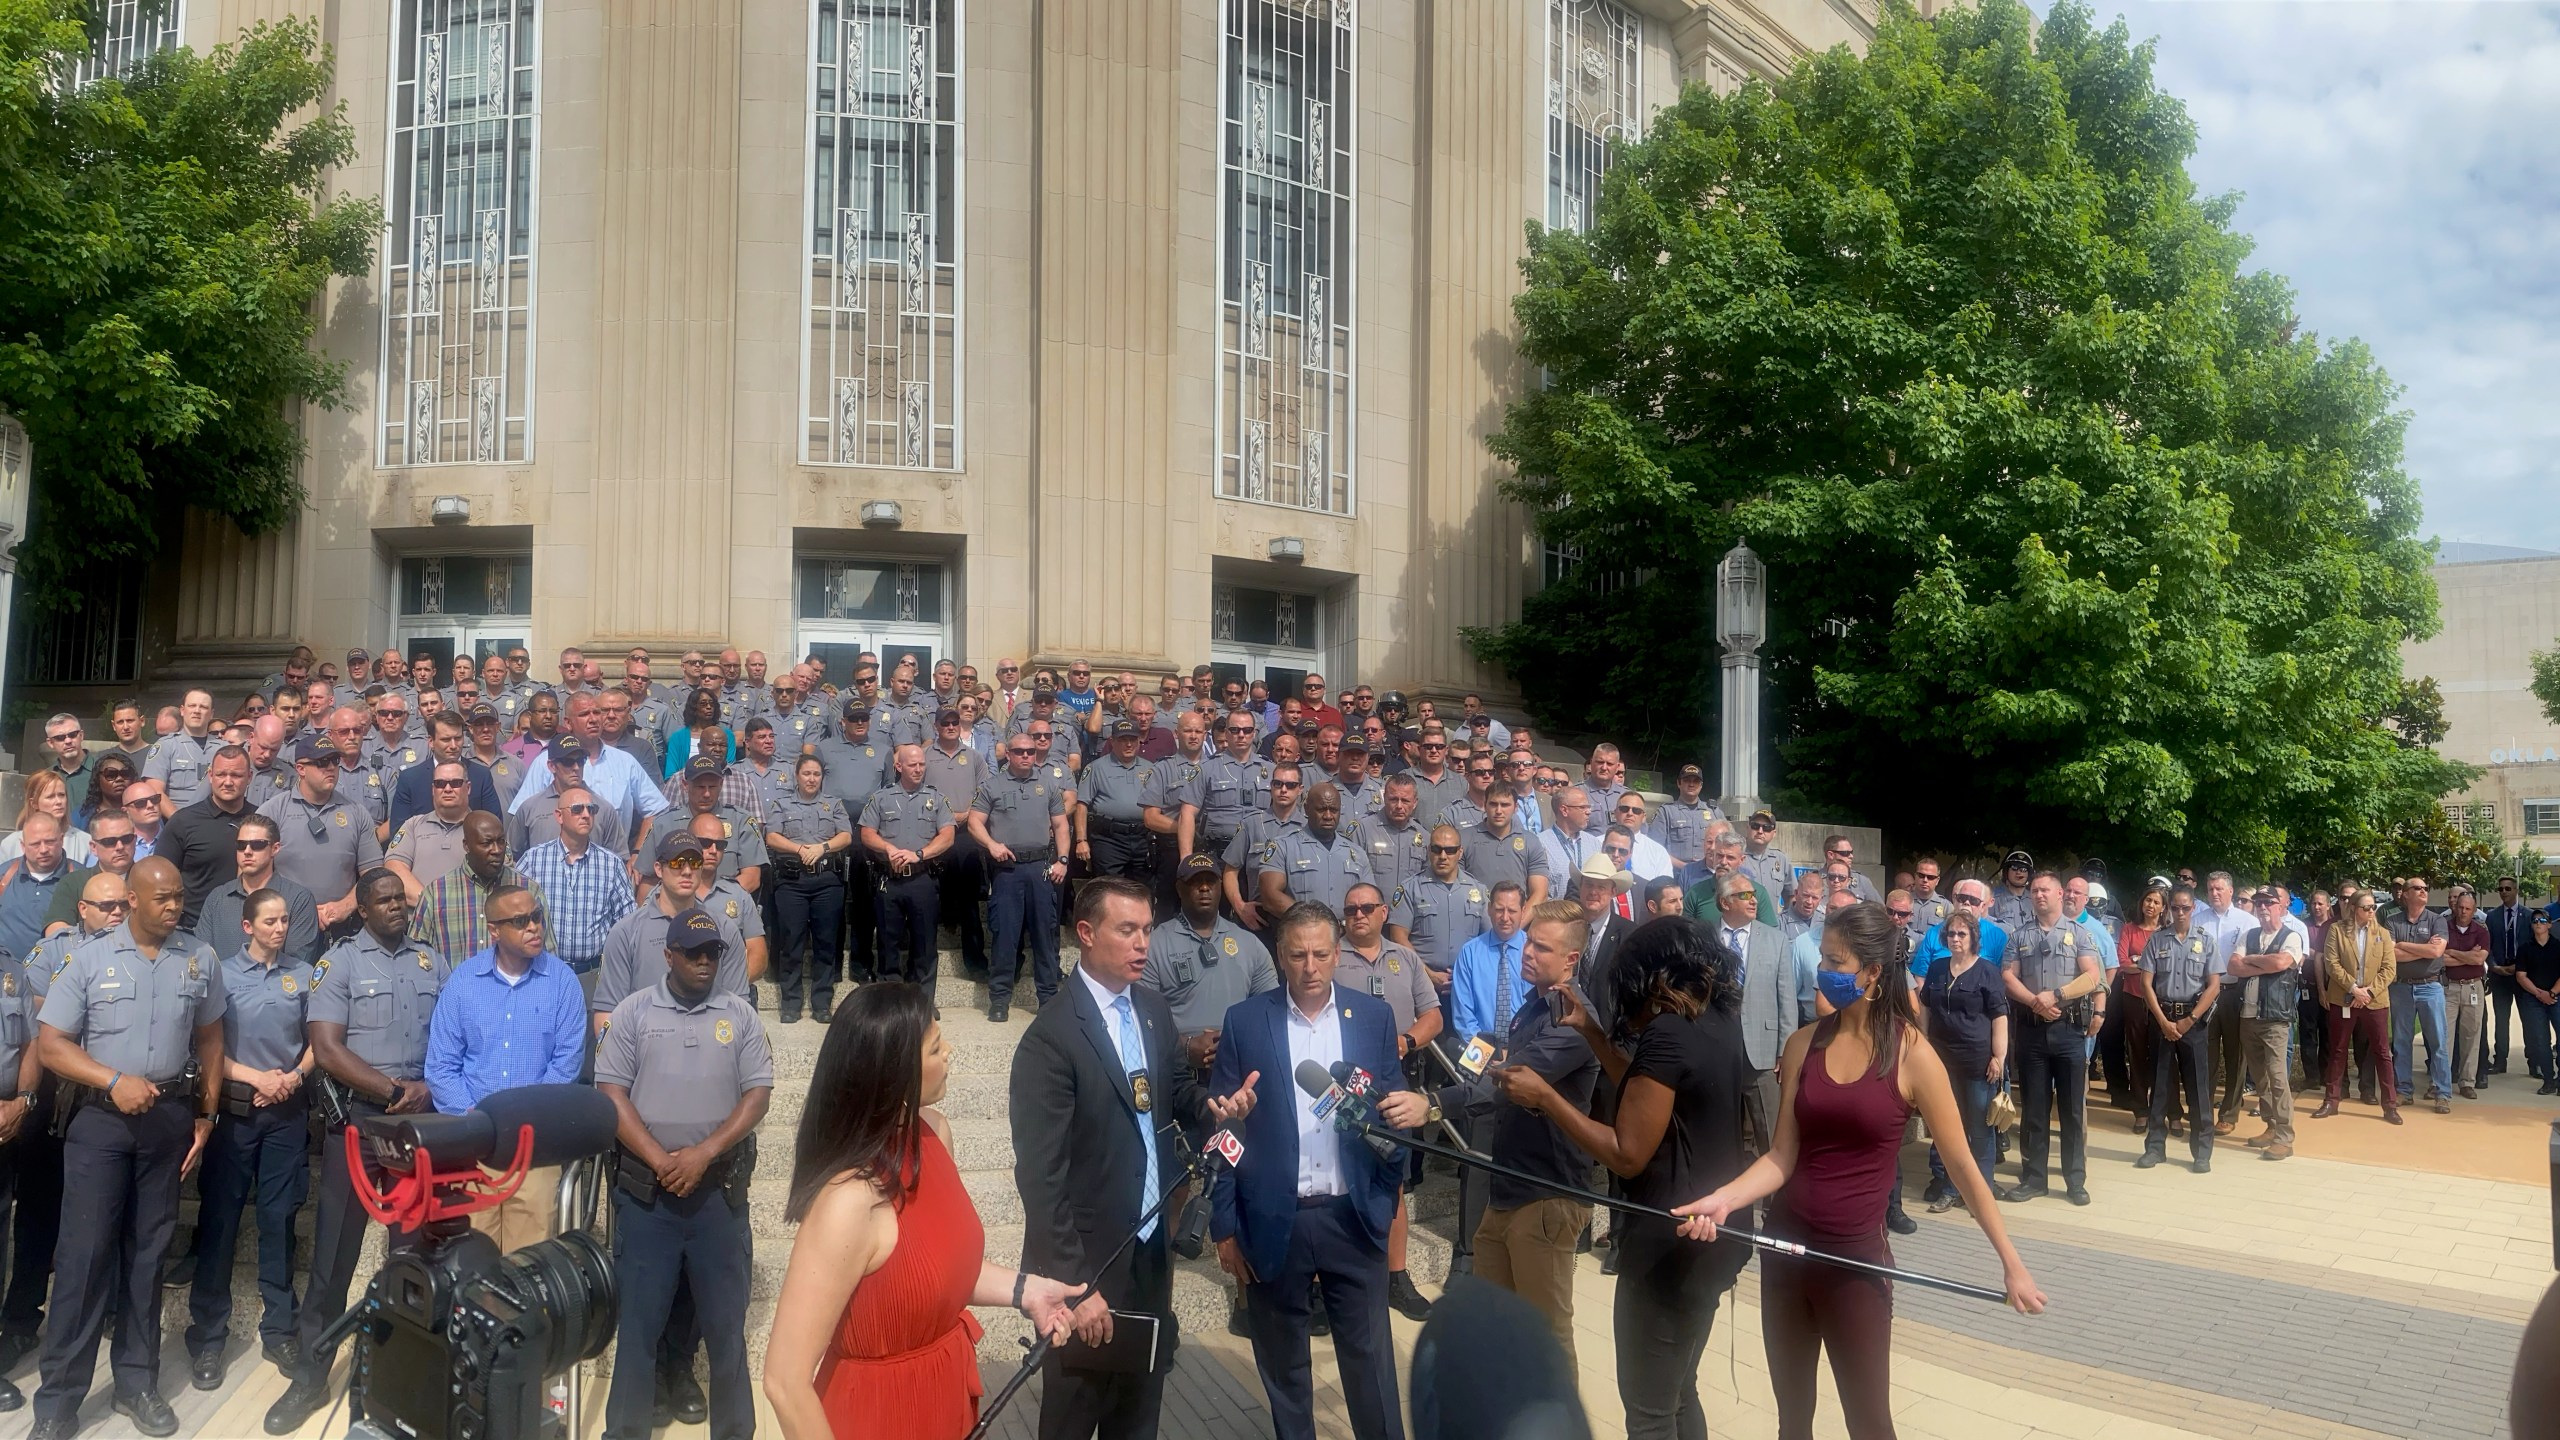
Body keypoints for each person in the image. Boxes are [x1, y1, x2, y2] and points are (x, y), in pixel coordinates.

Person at [1673, 904, 2044, 1440]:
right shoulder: (1803, 1043)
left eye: (1834, 960)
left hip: (1857, 1265)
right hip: (1785, 1252)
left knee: (1869, 1424)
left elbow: (1963, 1165)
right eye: (1822, 957)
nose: (1822, 969)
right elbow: (1780, 1156)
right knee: (1791, 1421)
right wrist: (1724, 1199)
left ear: (1872, 972)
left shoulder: (1913, 1054)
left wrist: (2012, 1263)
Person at [764, 981, 1079, 1440]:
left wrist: (1027, 1290)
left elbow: (937, 1273)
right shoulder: (848, 1201)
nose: (949, 1051)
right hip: (877, 1419)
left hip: (947, 1402)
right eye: (935, 1048)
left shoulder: (933, 1134)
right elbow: (784, 1381)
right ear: (894, 1074)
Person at [1016, 878, 1258, 1440]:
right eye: (1127, 930)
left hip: (1150, 1250)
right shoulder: (1050, 1039)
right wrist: (1078, 1286)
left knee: (1138, 1417)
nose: (1142, 944)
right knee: (1074, 1415)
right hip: (1085, 1266)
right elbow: (1041, 1179)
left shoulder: (1150, 1008)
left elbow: (1175, 1090)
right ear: (1085, 933)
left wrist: (1214, 1108)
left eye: (1147, 930)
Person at [28, 858, 225, 1440]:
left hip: (167, 1119)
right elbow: (51, 1046)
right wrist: (113, 1080)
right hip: (99, 1123)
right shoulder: (87, 959)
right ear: (133, 901)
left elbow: (212, 1036)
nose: (173, 907)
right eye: (161, 898)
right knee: (84, 1260)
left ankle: (137, 1384)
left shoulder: (199, 957)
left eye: (179, 898)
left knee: (148, 1257)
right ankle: (59, 1403)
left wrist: (207, 1114)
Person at [1211, 900, 1420, 1440]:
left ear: (1337, 955)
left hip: (1353, 1216)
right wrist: (1225, 1224)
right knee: (1285, 1371)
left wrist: (1386, 1190)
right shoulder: (1244, 1022)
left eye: (1321, 954)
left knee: (1371, 1366)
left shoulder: (1372, 1018)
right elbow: (1222, 1132)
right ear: (1280, 955)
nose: (1310, 967)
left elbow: (1392, 1116)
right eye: (1298, 955)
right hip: (1274, 1218)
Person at [263, 870, 450, 1432]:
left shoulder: (431, 962)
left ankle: (404, 1380)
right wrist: (392, 1090)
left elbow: (452, 1035)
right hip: (362, 1125)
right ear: (362, 909)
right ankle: (311, 1376)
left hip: (421, 1128)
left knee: (415, 1260)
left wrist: (427, 1090)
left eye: (401, 898)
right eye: (383, 900)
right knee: (333, 1257)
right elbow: (325, 1047)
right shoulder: (339, 962)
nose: (396, 907)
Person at [595, 908, 771, 1440]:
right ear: (668, 955)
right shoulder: (632, 1013)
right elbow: (610, 1093)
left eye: (712, 953)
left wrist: (703, 1153)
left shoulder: (740, 1015)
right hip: (647, 1202)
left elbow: (757, 1095)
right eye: (692, 952)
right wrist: (659, 1157)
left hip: (717, 1198)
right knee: (638, 1335)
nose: (703, 961)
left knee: (726, 1337)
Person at [1423, 899, 1596, 1357]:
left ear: (1570, 960)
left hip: (1547, 1195)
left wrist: (1433, 1103)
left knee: (1546, 1336)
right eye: (1528, 942)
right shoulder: (1531, 1007)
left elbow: (1511, 1085)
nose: (1527, 953)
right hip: (1507, 1190)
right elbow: (1504, 1068)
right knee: (1496, 1325)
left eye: (1541, 947)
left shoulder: (1571, 1019)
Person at [184, 887, 315, 1390]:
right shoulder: (221, 973)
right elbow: (206, 1047)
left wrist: (290, 1079)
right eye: (269, 921)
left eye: (284, 920)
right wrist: (254, 1079)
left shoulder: (303, 975)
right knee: (220, 1221)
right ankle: (208, 1337)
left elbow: (317, 1042)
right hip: (235, 1114)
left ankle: (279, 1326)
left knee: (279, 1218)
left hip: (285, 1112)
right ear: (247, 926)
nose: (279, 929)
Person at [423, 884, 589, 1250]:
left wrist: (521, 1126)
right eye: (520, 920)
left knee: (528, 1267)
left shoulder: (563, 983)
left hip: (534, 1151)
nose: (534, 927)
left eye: (537, 917)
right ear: (494, 930)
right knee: (472, 1264)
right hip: (474, 1152)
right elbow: (441, 1067)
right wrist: (475, 1124)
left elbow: (565, 1068)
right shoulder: (463, 983)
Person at [2002, 873, 2102, 1205]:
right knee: (2033, 1109)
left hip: (2069, 1031)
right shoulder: (2019, 936)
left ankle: (2075, 1180)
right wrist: (2035, 1002)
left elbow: (2092, 976)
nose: (2039, 895)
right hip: (2031, 1031)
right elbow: (2007, 976)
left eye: (2045, 889)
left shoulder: (2078, 934)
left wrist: (2055, 995)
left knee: (2073, 1110)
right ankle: (2034, 1178)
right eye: (2034, 891)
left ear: (2060, 894)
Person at [971, 731, 1069, 1021]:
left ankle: (1048, 1000)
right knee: (1005, 937)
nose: (1026, 755)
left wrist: (1062, 860)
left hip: (1041, 869)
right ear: (1009, 754)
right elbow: (975, 822)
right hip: (1007, 871)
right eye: (1020, 751)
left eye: (1030, 751)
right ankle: (999, 1000)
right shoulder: (992, 785)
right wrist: (991, 845)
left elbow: (1062, 826)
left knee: (1045, 935)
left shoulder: (1048, 784)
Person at [1917, 908, 2005, 1212]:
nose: (1955, 939)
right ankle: (1951, 1188)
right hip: (1942, 1062)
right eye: (1951, 934)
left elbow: (1999, 1016)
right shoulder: (1938, 968)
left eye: (1961, 934)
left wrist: (1999, 1056)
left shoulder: (1987, 971)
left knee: (1980, 1130)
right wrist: (1923, 1043)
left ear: (1973, 938)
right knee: (1949, 1129)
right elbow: (1925, 1007)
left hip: (1978, 1063)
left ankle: (1980, 1192)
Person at [860, 744, 957, 1007]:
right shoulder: (881, 798)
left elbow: (948, 836)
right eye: (912, 765)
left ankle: (922, 1003)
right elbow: (867, 833)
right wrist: (888, 847)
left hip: (922, 878)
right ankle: (889, 1004)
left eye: (922, 764)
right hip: (888, 879)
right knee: (888, 942)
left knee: (925, 944)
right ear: (898, 767)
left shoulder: (936, 799)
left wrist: (921, 854)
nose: (918, 769)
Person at [2138, 886, 2227, 1167]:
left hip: (2194, 1022)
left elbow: (2214, 985)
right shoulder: (2157, 940)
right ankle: (2154, 1148)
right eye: (2174, 908)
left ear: (2193, 910)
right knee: (2160, 1086)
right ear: (2168, 909)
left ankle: (2202, 1152)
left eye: (2185, 908)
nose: (2179, 913)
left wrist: (2191, 1019)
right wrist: (2163, 1021)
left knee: (2198, 1089)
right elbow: (2145, 984)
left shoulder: (2205, 940)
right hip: (2163, 1019)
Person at [1711, 870, 1800, 1156]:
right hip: (1717, 1050)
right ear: (1725, 902)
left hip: (1762, 1053)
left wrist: (1785, 1051)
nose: (1754, 900)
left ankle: (1777, 1199)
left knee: (1771, 1134)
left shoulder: (1776, 940)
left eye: (1755, 895)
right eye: (1745, 895)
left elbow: (1787, 999)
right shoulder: (1704, 937)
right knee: (1720, 1134)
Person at [511, 785, 637, 973]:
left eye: (591, 809)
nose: (586, 815)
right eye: (577, 809)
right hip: (542, 970)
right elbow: (512, 913)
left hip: (594, 973)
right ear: (559, 816)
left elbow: (628, 923)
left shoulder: (611, 864)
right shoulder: (532, 860)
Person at [767, 754, 854, 1024]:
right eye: (806, 773)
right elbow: (771, 836)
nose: (811, 779)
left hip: (827, 881)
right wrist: (800, 849)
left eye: (816, 774)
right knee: (791, 942)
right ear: (797, 775)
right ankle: (791, 1003)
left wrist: (822, 848)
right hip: (791, 882)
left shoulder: (834, 804)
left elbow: (846, 835)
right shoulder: (781, 803)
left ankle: (821, 1003)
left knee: (825, 943)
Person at [2311, 886, 2401, 1124]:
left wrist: (2368, 992)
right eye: (2367, 907)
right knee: (2338, 1049)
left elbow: (2389, 969)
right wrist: (2353, 989)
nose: (2372, 911)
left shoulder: (2383, 933)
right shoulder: (2336, 931)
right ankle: (2331, 1101)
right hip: (2344, 998)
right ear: (2354, 909)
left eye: (2374, 907)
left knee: (2382, 1052)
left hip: (2375, 1000)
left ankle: (2390, 1105)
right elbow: (2331, 963)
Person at [2229, 887, 2303, 1159]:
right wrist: (2262, 963)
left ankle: (2285, 1136)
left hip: (2275, 1019)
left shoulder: (2291, 937)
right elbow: (2233, 966)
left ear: (2281, 906)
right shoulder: (2249, 935)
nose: (2262, 907)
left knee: (2277, 1078)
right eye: (2258, 903)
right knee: (2260, 1079)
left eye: (2268, 903)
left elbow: (2282, 962)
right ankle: (2271, 1127)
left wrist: (2250, 960)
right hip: (2247, 1016)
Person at [2386, 878, 2452, 1114]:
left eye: (2425, 889)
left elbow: (2436, 951)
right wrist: (2422, 950)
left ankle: (2442, 1092)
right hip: (2400, 988)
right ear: (2405, 894)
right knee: (2402, 1042)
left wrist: (2404, 945)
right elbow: (2390, 955)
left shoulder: (2437, 920)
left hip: (2430, 987)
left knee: (2437, 1043)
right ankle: (2404, 1091)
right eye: (2417, 888)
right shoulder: (2392, 921)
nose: (2423, 891)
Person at [0, 772, 93, 872]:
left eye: (61, 795)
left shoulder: (85, 842)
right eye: (50, 797)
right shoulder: (11, 843)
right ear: (34, 803)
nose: (58, 802)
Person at [2516, 912, 2560, 1094]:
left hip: (2557, 998)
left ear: (2549, 925)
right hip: (2533, 999)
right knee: (2541, 1041)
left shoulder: (2558, 946)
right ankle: (2548, 1080)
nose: (2538, 923)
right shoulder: (2525, 948)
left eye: (2542, 920)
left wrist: (2551, 993)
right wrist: (2539, 994)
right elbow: (2520, 976)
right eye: (2535, 921)